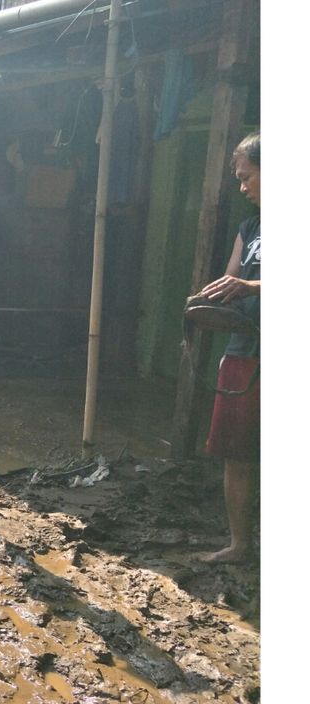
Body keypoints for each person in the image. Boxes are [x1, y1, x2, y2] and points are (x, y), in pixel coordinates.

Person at [197, 132, 261, 564]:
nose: (242, 187)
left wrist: (251, 285)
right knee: (237, 452)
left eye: (247, 176)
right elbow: (229, 284)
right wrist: (204, 304)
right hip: (244, 349)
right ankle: (241, 545)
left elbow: (244, 284)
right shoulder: (249, 228)